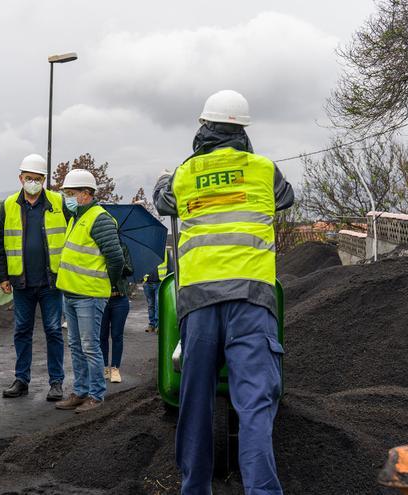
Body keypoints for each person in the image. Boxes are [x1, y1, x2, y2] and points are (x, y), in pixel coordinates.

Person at [153, 90, 295, 495]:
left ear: (204, 128)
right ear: (243, 130)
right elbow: (286, 199)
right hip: (252, 300)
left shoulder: (185, 174)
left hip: (198, 302)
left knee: (195, 403)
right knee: (254, 405)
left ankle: (195, 489)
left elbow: (163, 202)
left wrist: (167, 177)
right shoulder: (265, 170)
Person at [0, 154, 69, 401]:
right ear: (20, 178)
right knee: (22, 331)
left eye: (37, 179)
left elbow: (73, 235)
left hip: (51, 282)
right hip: (21, 282)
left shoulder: (59, 202)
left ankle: (56, 382)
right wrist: (2, 276)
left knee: (53, 331)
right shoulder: (9, 205)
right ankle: (21, 379)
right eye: (28, 178)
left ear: (44, 180)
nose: (32, 182)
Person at [54, 169, 126, 413]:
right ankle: (81, 391)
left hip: (89, 294)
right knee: (76, 345)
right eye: (66, 193)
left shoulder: (100, 218)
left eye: (71, 193)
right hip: (72, 293)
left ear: (86, 194)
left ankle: (95, 394)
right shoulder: (77, 217)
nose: (67, 198)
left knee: (90, 346)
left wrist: (109, 283)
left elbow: (115, 258)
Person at [143, 247, 171, 333]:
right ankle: (152, 324)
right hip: (148, 282)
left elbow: (170, 267)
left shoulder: (165, 251)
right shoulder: (145, 251)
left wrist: (168, 281)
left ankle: (158, 325)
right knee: (151, 305)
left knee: (158, 305)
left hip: (160, 282)